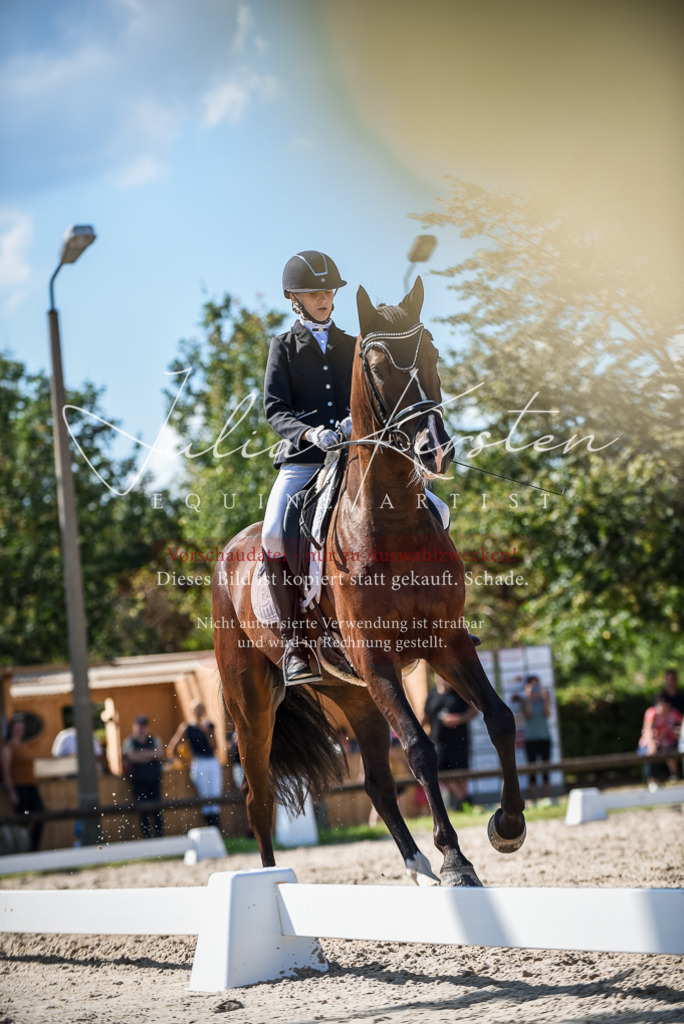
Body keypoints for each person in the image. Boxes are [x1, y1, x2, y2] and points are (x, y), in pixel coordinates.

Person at [262, 249, 450, 684]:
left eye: (328, 290)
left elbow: (379, 395)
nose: (324, 298)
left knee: (436, 510)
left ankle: (440, 618)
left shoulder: (355, 344)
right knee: (274, 530)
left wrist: (354, 423)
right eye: (314, 292)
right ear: (295, 298)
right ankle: (294, 641)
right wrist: (311, 434)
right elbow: (275, 409)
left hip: (355, 457)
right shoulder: (284, 347)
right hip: (305, 460)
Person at [422, 676, 476, 810]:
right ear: (436, 678)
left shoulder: (459, 693)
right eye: (441, 677)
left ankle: (463, 805)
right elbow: (425, 716)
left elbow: (473, 711)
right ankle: (463, 800)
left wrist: (459, 719)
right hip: (439, 743)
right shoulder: (432, 694)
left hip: (459, 742)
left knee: (461, 774)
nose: (445, 679)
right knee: (439, 772)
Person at [168, 703, 222, 830]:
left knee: (215, 795)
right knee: (205, 797)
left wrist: (207, 733)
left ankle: (217, 829)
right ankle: (211, 828)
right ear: (191, 711)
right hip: (199, 762)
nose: (198, 713)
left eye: (201, 710)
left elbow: (214, 747)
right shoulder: (187, 727)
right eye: (196, 710)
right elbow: (173, 748)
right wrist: (186, 762)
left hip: (212, 761)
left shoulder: (209, 726)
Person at [0, 715, 44, 851]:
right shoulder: (8, 748)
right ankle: (23, 850)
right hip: (19, 787)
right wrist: (12, 792)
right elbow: (6, 771)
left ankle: (33, 849)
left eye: (21, 728)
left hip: (31, 786)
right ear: (12, 729)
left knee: (40, 815)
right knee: (23, 821)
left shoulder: (25, 746)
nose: (19, 731)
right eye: (17, 728)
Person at [122, 715, 165, 838]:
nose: (141, 729)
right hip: (139, 781)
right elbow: (131, 757)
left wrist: (141, 754)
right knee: (143, 811)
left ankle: (159, 836)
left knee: (157, 809)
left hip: (154, 779)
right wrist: (150, 755)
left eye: (144, 726)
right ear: (134, 727)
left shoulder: (155, 740)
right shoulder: (129, 741)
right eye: (139, 726)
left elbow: (161, 754)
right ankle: (147, 837)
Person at [637, 696, 682, 788]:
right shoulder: (652, 713)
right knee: (651, 754)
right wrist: (652, 744)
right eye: (662, 706)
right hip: (649, 743)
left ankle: (675, 777)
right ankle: (652, 780)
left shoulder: (673, 713)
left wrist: (678, 731)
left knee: (671, 753)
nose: (664, 708)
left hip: (667, 743)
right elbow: (648, 729)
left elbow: (682, 722)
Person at [522, 674, 552, 802]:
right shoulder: (525, 701)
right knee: (532, 771)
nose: (535, 689)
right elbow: (528, 714)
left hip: (544, 736)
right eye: (532, 686)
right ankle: (534, 800)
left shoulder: (544, 699)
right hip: (530, 738)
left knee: (546, 769)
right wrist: (528, 697)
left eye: (536, 685)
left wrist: (544, 698)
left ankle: (547, 799)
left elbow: (547, 714)